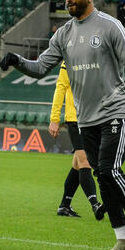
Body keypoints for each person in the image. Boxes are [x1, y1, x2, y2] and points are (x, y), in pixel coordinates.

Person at [0, 0, 125, 250]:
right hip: (86, 119)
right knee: (103, 177)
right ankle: (122, 239)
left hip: (115, 110)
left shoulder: (109, 26)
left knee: (109, 170)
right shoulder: (64, 34)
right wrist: (17, 61)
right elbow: (41, 66)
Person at [49, 61, 104, 219]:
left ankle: (64, 206)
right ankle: (95, 204)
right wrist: (54, 119)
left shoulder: (94, 59)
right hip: (75, 118)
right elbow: (61, 87)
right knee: (84, 160)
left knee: (77, 164)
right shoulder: (69, 61)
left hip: (92, 118)